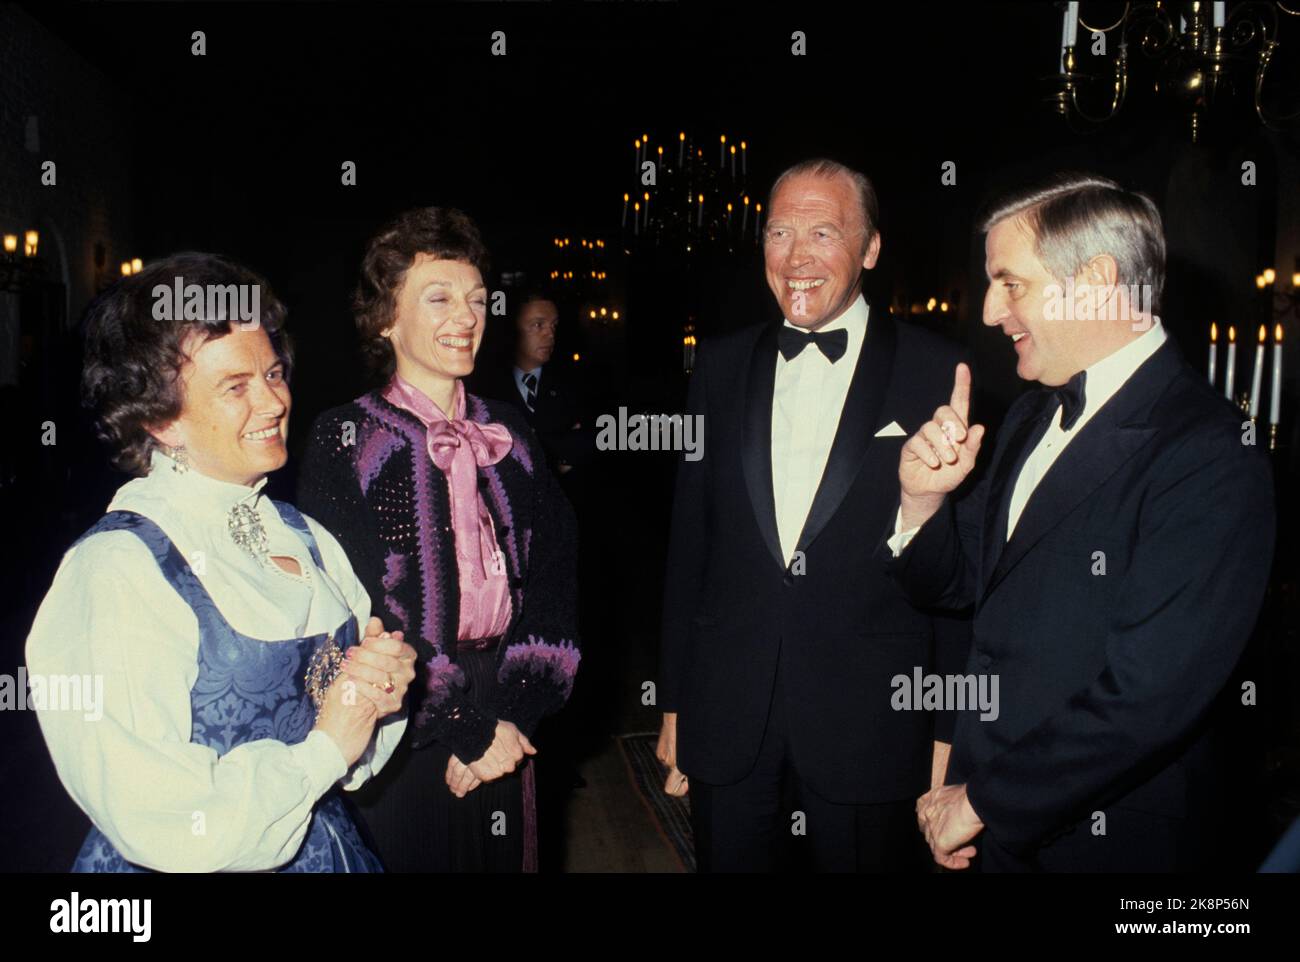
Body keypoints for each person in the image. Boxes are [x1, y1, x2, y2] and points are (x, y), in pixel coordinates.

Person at [890, 172, 1275, 872]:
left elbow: (1147, 696)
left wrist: (981, 802)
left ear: (1095, 279)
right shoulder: (1031, 416)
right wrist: (921, 503)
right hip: (986, 820)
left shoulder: (1211, 452)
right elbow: (957, 585)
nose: (987, 311)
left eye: (1010, 283)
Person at [26, 252, 416, 873]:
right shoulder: (117, 570)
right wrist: (324, 751)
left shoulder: (304, 536)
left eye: (273, 373)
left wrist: (376, 694)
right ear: (158, 418)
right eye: (236, 386)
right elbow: (156, 809)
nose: (273, 402)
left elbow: (351, 756)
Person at [656, 158, 969, 871]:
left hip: (872, 727)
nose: (795, 256)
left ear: (870, 249)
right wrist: (675, 704)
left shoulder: (937, 370)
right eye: (778, 231)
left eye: (823, 231)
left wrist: (950, 738)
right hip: (729, 710)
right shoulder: (720, 366)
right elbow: (689, 547)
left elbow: (957, 579)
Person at [298, 207, 580, 872]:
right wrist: (463, 726)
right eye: (441, 298)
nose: (467, 316)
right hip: (402, 720)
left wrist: (517, 715)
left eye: (478, 300)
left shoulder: (510, 431)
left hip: (510, 704)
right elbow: (349, 611)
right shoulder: (345, 437)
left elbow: (556, 575)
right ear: (387, 319)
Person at [475, 290, 593, 485]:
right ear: (513, 329)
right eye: (538, 325)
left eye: (553, 325)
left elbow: (591, 439)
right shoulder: (486, 386)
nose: (550, 334)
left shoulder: (576, 382)